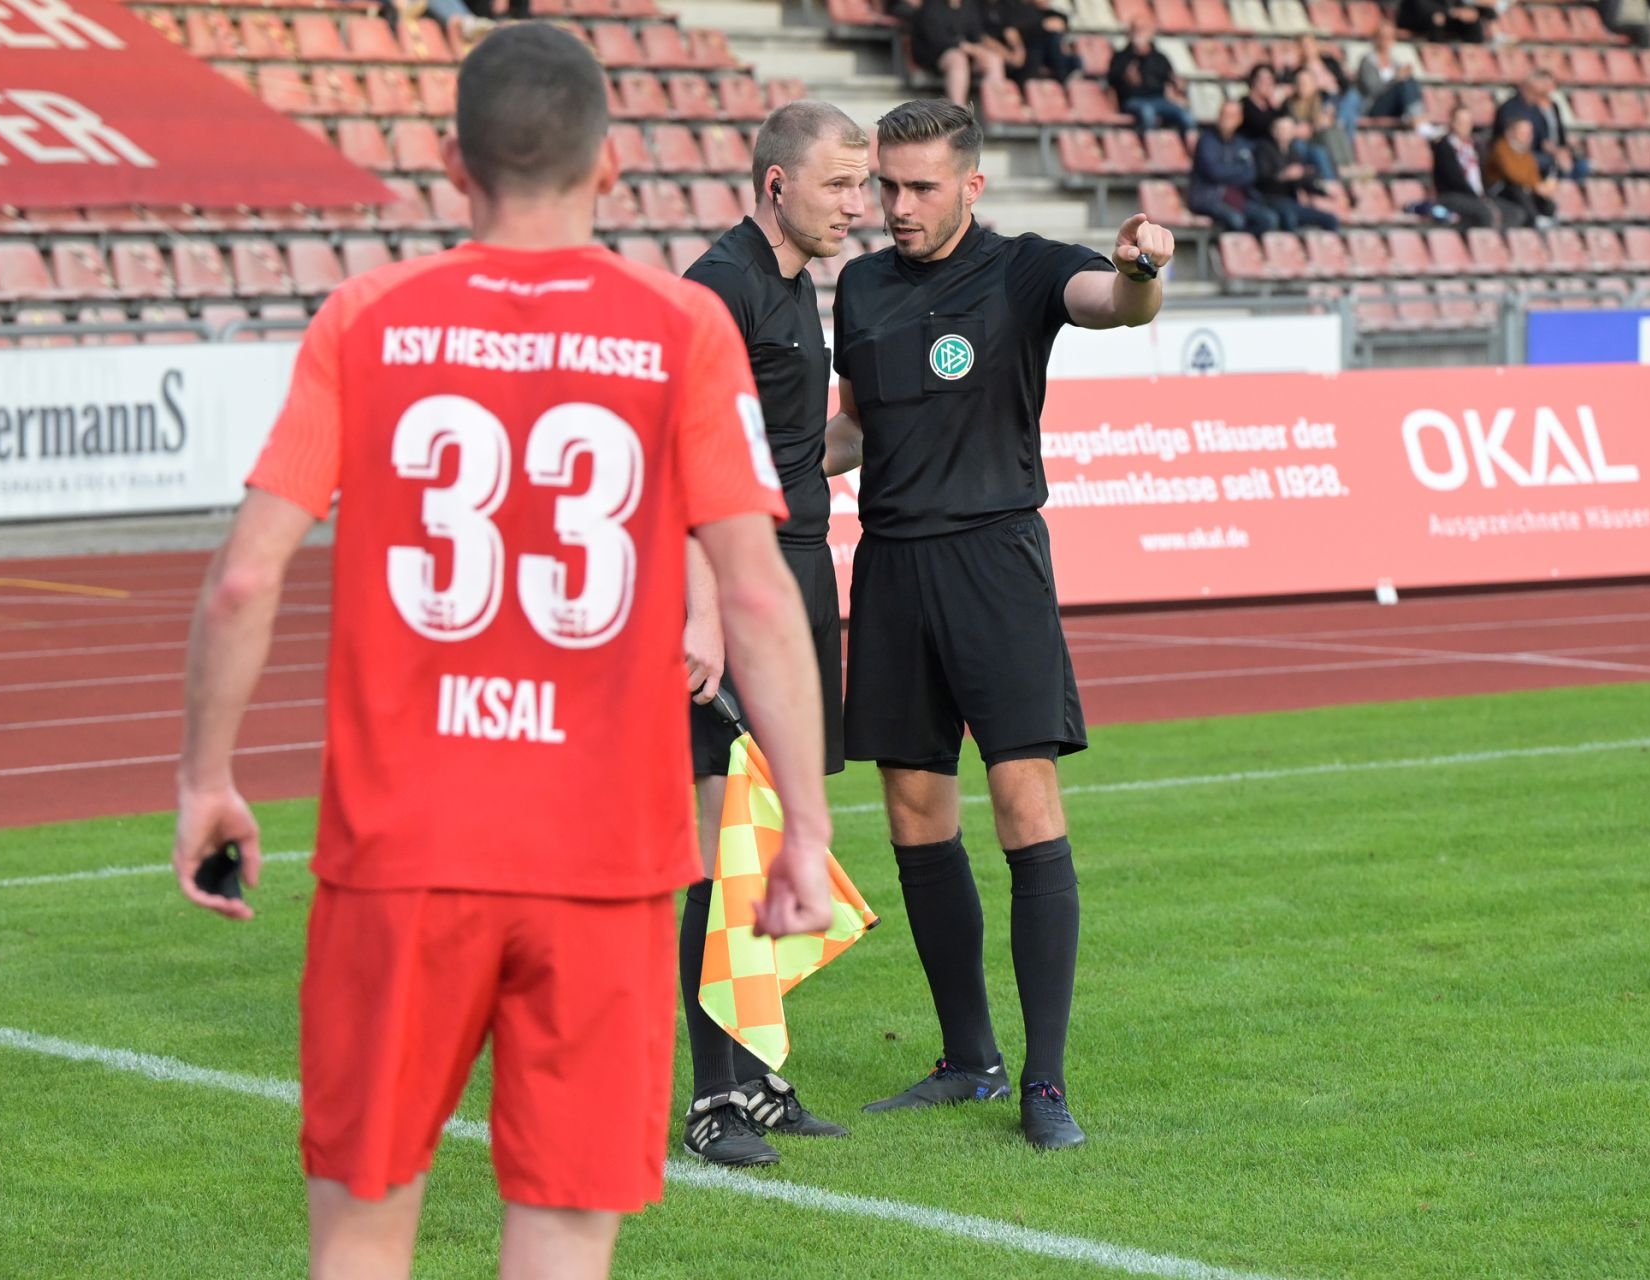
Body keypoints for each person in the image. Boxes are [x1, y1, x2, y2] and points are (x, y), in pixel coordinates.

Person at [169, 24, 835, 1280]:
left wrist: (207, 776)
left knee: (362, 1229)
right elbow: (754, 591)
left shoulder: (367, 318)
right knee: (564, 1235)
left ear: (450, 161)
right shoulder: (681, 327)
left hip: (401, 848)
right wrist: (803, 822)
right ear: (611, 164)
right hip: (604, 856)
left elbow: (247, 572)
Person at [823, 98, 1175, 1150]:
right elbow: (854, 428)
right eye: (887, 186)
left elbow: (1115, 302)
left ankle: (1046, 1081)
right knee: (913, 811)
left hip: (996, 561)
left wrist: (1142, 266)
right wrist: (771, 457)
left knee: (1025, 802)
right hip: (891, 565)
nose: (898, 206)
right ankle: (968, 1057)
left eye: (921, 188)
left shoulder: (1023, 269)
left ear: (971, 185)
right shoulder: (861, 284)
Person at [675, 99, 868, 1167]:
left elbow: (795, 448)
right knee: (721, 844)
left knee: (768, 840)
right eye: (840, 185)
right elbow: (683, 460)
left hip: (799, 568)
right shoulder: (720, 288)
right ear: (776, 184)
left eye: (861, 185)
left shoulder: (797, 283)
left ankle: (755, 1074)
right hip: (735, 584)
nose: (858, 205)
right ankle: (713, 1098)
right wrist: (701, 611)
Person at [1188, 100, 1278, 232]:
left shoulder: (1241, 143)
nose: (1225, 119)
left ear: (1239, 119)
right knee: (1236, 220)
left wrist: (1230, 172)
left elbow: (1250, 174)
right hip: (1208, 198)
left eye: (1231, 116)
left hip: (1237, 197)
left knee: (1269, 218)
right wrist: (1238, 170)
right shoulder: (1206, 141)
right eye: (1223, 114)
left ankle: (1244, 242)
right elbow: (1214, 172)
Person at [1432, 105, 1528, 229]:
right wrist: (1477, 197)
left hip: (1480, 196)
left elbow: (1486, 173)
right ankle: (1484, 239)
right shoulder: (1444, 147)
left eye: (1468, 122)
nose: (1465, 126)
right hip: (1454, 195)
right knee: (1486, 213)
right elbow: (1454, 179)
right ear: (1452, 122)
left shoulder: (1477, 146)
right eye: (1461, 122)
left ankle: (1502, 239)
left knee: (1516, 213)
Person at [899, 0, 1007, 107]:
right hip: (935, 56)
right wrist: (964, 46)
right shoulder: (931, 5)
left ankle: (997, 111)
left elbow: (976, 35)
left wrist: (979, 51)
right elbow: (936, 39)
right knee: (958, 59)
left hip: (966, 55)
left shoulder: (969, 6)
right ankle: (958, 113)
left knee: (993, 59)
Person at [1240, 63, 1337, 181]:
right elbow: (1262, 126)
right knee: (1299, 147)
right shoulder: (1245, 104)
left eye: (1270, 80)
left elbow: (1286, 119)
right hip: (1259, 149)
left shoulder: (1273, 105)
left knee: (1319, 151)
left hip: (1280, 146)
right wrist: (1293, 131)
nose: (1266, 83)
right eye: (1262, 79)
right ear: (1253, 81)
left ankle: (1331, 183)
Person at [1107, 20, 1196, 135]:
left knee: (1185, 115)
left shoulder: (1160, 58)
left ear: (1151, 33)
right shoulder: (1121, 57)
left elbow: (1171, 79)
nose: (1138, 33)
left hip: (1159, 99)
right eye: (1135, 29)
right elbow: (1111, 80)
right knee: (1147, 112)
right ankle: (1150, 143)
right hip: (1133, 100)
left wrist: (1179, 85)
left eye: (1142, 30)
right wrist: (1125, 78)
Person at [1493, 73, 1586, 183]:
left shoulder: (1536, 109)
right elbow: (1513, 141)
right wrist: (1555, 154)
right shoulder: (1510, 108)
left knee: (1581, 165)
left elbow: (1544, 138)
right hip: (1517, 154)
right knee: (1552, 162)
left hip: (1538, 152)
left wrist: (1561, 150)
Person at [1255, 115, 1341, 231]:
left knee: (1330, 219)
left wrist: (1324, 190)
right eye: (1282, 129)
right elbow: (1261, 178)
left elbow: (1303, 179)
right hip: (1270, 199)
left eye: (1289, 130)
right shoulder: (1263, 149)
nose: (1286, 133)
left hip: (1291, 201)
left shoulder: (1293, 152)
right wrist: (1283, 175)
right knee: (1289, 218)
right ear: (1274, 131)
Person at [1344, 24, 1424, 136]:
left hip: (1394, 107)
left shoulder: (1395, 63)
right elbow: (1373, 90)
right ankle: (1417, 121)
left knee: (1409, 80)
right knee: (1403, 83)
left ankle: (1417, 118)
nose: (1385, 41)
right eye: (1382, 37)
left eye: (1389, 37)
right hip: (1374, 106)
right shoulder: (1368, 62)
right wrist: (1395, 78)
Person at [984, 0, 1081, 83]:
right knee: (1047, 40)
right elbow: (1010, 30)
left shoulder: (1037, 10)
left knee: (1054, 38)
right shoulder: (1009, 7)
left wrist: (1060, 23)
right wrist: (1041, 26)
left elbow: (1060, 20)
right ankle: (1066, 75)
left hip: (1042, 53)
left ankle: (1069, 73)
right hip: (1025, 53)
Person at [1487, 116, 1560, 225]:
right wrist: (1536, 186)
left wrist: (1542, 187)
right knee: (1518, 189)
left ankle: (1548, 220)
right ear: (1510, 133)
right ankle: (1535, 221)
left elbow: (1533, 174)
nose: (1528, 136)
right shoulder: (1501, 148)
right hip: (1500, 191)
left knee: (1546, 201)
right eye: (1523, 133)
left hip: (1523, 190)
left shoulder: (1526, 153)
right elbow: (1512, 174)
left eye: (1530, 133)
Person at [1397, 0, 1496, 43]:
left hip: (1447, 20)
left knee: (1473, 22)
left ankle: (1471, 56)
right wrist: (1451, 12)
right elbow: (1419, 5)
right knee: (1437, 19)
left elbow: (1458, 6)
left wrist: (1471, 13)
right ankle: (1437, 56)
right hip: (1416, 19)